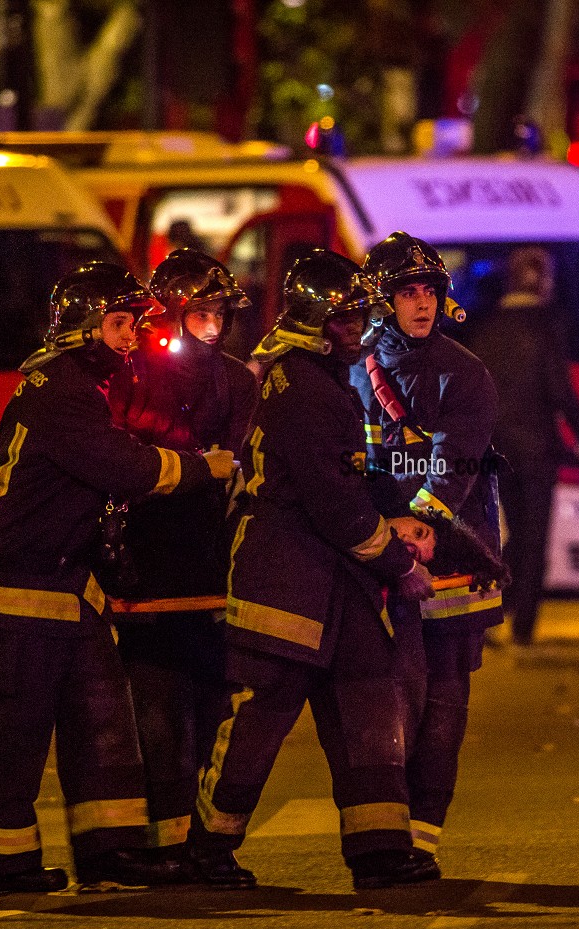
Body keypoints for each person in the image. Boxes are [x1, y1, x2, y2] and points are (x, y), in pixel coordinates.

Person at [0, 263, 235, 894]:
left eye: (134, 325)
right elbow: (120, 466)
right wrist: (200, 468)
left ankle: (111, 851)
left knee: (101, 722)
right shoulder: (59, 387)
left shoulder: (86, 385)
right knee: (14, 731)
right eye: (119, 324)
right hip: (16, 583)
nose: (131, 338)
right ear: (83, 327)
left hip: (65, 584)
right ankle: (3, 861)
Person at [184, 250, 439, 891]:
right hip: (284, 580)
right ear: (316, 322)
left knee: (368, 700)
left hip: (329, 583)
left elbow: (350, 486)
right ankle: (208, 847)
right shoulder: (304, 388)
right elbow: (334, 501)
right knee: (260, 716)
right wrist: (396, 559)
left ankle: (379, 848)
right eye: (347, 319)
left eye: (359, 317)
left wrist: (396, 519)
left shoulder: (314, 382)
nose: (358, 330)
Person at [354, 231, 503, 870]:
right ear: (382, 302)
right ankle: (383, 837)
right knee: (386, 700)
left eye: (429, 292)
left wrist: (409, 531)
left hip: (450, 562)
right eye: (407, 293)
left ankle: (420, 840)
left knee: (444, 698)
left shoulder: (465, 374)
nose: (422, 304)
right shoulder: (352, 371)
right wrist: (375, 536)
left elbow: (454, 469)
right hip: (377, 558)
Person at [104, 248, 258, 861]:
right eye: (200, 313)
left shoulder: (240, 381)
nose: (213, 324)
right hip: (149, 569)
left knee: (214, 706)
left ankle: (203, 842)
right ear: (168, 315)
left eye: (219, 311)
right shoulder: (131, 377)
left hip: (216, 570)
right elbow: (122, 462)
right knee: (158, 709)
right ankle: (166, 841)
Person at [463, 246, 579, 646]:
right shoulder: (545, 326)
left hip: (496, 448)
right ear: (541, 280)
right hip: (538, 449)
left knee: (512, 532)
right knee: (534, 536)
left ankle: (488, 609)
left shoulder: (484, 329)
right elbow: (560, 390)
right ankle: (522, 627)